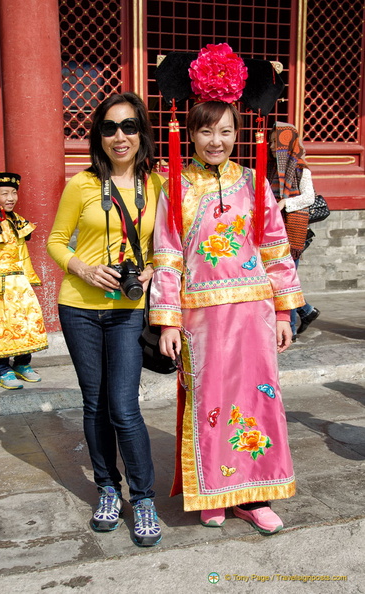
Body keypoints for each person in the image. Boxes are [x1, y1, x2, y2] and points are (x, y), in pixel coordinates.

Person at [150, 43, 305, 535]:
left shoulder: (255, 184)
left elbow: (277, 249)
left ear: (239, 133)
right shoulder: (175, 184)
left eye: (224, 131)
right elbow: (168, 257)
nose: (215, 140)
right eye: (205, 130)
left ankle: (255, 496)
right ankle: (214, 492)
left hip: (254, 314)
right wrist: (167, 320)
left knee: (259, 400)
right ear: (189, 133)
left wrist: (283, 313)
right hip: (202, 320)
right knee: (211, 403)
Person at [47, 92, 163, 547]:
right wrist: (84, 267)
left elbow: (164, 246)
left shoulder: (157, 185)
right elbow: (57, 241)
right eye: (110, 127)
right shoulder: (81, 184)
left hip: (128, 311)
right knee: (94, 403)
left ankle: (145, 496)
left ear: (141, 133)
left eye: (129, 126)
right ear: (99, 134)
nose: (120, 136)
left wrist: (152, 269)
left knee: (124, 405)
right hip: (79, 306)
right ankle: (108, 489)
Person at [0, 172, 48, 389]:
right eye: (4, 193)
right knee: (0, 327)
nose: (11, 197)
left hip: (19, 282)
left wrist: (27, 275)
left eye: (14, 192)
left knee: (26, 322)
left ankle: (23, 364)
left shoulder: (15, 219)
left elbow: (23, 251)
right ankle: (3, 369)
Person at [267, 122, 320, 339]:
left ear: (285, 143)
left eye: (274, 142)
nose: (271, 146)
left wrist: (284, 204)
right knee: (280, 278)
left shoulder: (300, 168)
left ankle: (291, 328)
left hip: (292, 231)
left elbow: (309, 197)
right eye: (270, 142)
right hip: (274, 230)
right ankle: (306, 311)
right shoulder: (273, 169)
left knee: (286, 278)